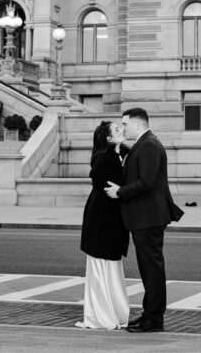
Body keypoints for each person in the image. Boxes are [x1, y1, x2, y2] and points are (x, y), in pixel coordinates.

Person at [105, 107, 183, 334]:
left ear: (138, 124)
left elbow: (146, 182)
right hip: (145, 217)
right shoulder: (144, 143)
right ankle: (149, 313)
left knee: (152, 269)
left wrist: (120, 192)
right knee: (149, 269)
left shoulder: (149, 145)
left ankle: (154, 319)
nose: (123, 127)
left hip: (148, 217)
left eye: (126, 124)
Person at [76, 120, 130, 330]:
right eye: (117, 129)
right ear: (108, 138)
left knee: (111, 265)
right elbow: (108, 184)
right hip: (101, 219)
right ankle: (101, 316)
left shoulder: (121, 154)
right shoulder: (103, 159)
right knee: (102, 265)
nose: (121, 130)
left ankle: (114, 312)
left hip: (111, 218)